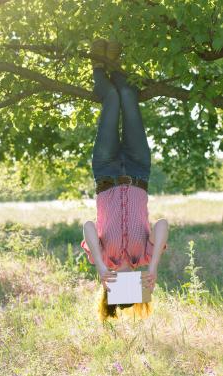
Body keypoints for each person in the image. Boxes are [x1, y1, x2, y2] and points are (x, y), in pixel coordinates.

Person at [81, 39, 169, 320]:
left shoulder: (102, 258)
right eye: (134, 285)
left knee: (113, 100)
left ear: (109, 288)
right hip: (138, 169)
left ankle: (99, 66)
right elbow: (163, 225)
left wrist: (100, 268)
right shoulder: (144, 255)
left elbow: (88, 226)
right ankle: (115, 63)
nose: (128, 279)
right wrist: (153, 266)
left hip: (105, 171)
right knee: (128, 96)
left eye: (121, 286)